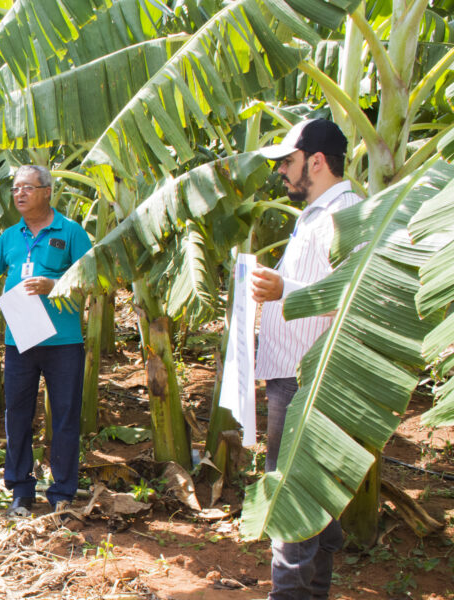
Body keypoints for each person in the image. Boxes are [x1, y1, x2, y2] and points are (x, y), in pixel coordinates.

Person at [252, 118, 359, 600]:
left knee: (292, 495)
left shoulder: (345, 214)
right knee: (307, 496)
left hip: (311, 379)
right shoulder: (314, 214)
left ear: (316, 161)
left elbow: (353, 296)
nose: (281, 171)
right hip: (291, 374)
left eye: (287, 161)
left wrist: (284, 290)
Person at [0, 164, 92, 518]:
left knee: (65, 417)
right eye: (15, 188)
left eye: (27, 187)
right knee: (16, 415)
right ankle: (20, 490)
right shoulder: (10, 237)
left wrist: (54, 285)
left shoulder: (71, 232)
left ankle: (62, 492)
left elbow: (92, 280)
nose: (19, 194)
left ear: (47, 191)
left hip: (63, 342)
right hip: (19, 340)